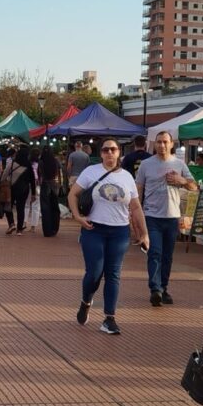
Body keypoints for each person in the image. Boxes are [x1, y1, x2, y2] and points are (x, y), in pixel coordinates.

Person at [69, 138, 149, 335]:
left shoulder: (127, 177)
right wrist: (77, 217)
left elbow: (136, 207)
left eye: (113, 150)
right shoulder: (91, 172)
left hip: (119, 231)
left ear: (119, 152)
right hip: (93, 229)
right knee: (94, 273)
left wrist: (144, 233)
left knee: (113, 274)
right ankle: (86, 300)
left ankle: (109, 318)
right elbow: (73, 195)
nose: (109, 153)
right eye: (105, 150)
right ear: (101, 153)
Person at [135, 131, 197, 306]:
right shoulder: (146, 164)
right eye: (159, 142)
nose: (162, 145)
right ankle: (155, 289)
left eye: (165, 142)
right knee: (154, 252)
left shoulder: (179, 164)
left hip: (172, 216)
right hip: (151, 216)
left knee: (168, 256)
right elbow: (138, 189)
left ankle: (164, 287)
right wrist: (135, 214)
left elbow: (194, 187)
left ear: (171, 144)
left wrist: (181, 180)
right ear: (154, 145)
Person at [2, 146, 37, 236]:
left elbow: (4, 175)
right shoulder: (29, 165)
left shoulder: (13, 163)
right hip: (24, 190)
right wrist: (33, 193)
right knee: (20, 208)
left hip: (12, 189)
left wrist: (3, 182)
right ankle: (19, 230)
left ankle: (11, 224)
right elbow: (32, 180)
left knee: (8, 206)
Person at [38, 145, 62, 237]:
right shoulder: (55, 161)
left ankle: (47, 231)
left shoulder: (41, 161)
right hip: (55, 185)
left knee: (45, 209)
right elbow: (61, 171)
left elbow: (39, 174)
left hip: (44, 185)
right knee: (55, 208)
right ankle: (54, 229)